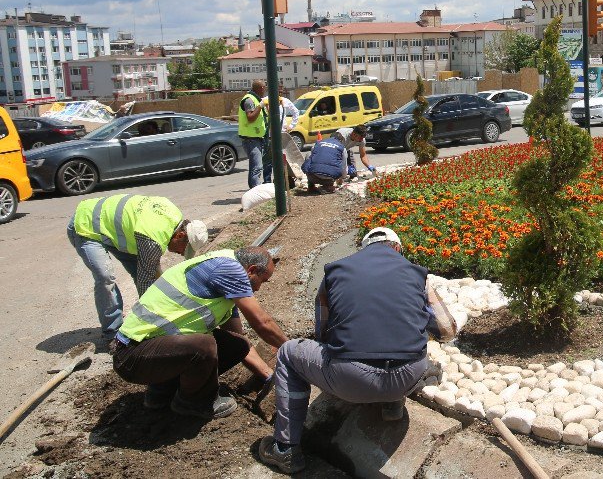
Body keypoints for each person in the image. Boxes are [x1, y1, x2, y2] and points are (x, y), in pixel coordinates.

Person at [257, 227, 456, 474]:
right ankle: (391, 404)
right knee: (408, 347)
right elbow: (447, 330)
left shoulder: (336, 271)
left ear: (364, 249)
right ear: (397, 249)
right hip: (406, 377)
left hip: (349, 378)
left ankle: (285, 449)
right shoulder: (417, 274)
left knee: (288, 352)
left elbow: (323, 333)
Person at [112, 247, 288, 420]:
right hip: (132, 355)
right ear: (251, 270)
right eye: (262, 281)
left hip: (151, 353)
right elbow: (262, 322)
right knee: (204, 345)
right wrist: (294, 349)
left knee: (236, 345)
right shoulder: (230, 269)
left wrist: (268, 376)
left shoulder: (226, 282)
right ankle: (194, 402)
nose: (258, 289)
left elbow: (239, 339)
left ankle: (162, 391)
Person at [68, 194, 209, 336]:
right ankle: (113, 333)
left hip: (113, 230)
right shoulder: (153, 240)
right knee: (105, 278)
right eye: (184, 249)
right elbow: (145, 284)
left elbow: (153, 273)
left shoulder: (174, 218)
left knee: (148, 274)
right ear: (180, 235)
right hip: (86, 223)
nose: (181, 254)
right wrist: (152, 325)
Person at [239, 79, 268, 189]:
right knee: (257, 166)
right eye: (264, 87)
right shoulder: (250, 100)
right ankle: (256, 190)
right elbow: (250, 117)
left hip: (256, 137)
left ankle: (255, 189)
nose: (265, 90)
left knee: (257, 166)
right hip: (250, 138)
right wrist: (260, 106)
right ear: (261, 88)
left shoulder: (255, 99)